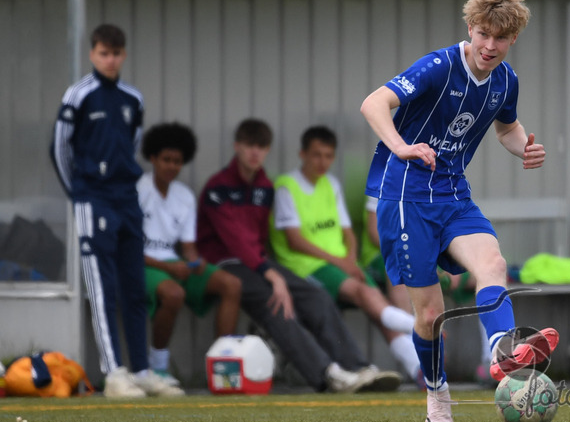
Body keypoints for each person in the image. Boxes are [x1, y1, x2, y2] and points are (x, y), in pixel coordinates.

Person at [360, 0, 559, 422]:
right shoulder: (438, 66)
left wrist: (523, 148)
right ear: (470, 28)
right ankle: (437, 394)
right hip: (406, 198)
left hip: (453, 195)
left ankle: (503, 352)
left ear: (512, 39)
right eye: (483, 34)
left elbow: (506, 128)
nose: (490, 46)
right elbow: (373, 103)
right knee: (431, 316)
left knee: (493, 264)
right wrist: (401, 146)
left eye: (500, 38)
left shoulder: (505, 80)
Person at [196, 118, 401, 394]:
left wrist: (271, 270)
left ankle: (358, 368)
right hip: (225, 264)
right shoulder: (218, 188)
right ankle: (328, 374)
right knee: (276, 303)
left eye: (261, 147)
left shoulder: (264, 186)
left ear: (267, 150)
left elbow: (258, 241)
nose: (255, 152)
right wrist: (272, 274)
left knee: (316, 297)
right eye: (249, 145)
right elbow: (237, 242)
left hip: (258, 263)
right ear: (237, 147)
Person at [50, 24, 178, 398]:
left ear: (124, 55)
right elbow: (59, 148)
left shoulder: (132, 98)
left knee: (134, 288)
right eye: (104, 53)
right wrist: (79, 194)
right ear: (93, 54)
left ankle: (142, 371)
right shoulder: (78, 95)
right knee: (101, 288)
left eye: (116, 54)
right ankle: (113, 373)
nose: (110, 60)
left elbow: (132, 142)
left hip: (128, 200)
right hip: (94, 199)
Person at [270, 126, 423, 387]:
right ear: (302, 154)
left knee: (377, 306)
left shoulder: (330, 184)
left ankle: (419, 370)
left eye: (328, 156)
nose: (322, 162)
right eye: (316, 155)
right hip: (307, 266)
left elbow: (348, 233)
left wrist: (350, 260)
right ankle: (419, 327)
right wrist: (342, 263)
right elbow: (295, 241)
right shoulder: (286, 187)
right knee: (365, 294)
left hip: (341, 264)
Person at [137, 122, 242, 390]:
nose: (172, 166)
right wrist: (170, 268)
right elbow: (129, 249)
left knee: (231, 284)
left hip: (172, 264)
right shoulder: (137, 190)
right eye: (166, 159)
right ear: (152, 158)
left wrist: (196, 262)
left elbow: (188, 248)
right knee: (174, 294)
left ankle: (221, 369)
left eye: (177, 161)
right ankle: (158, 369)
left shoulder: (184, 196)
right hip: (142, 264)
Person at [364, 195, 494, 385]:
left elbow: (451, 224)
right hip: (397, 255)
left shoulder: (444, 182)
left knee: (488, 270)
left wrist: (452, 256)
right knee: (399, 272)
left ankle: (492, 360)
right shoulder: (384, 181)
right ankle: (420, 363)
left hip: (434, 255)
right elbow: (377, 233)